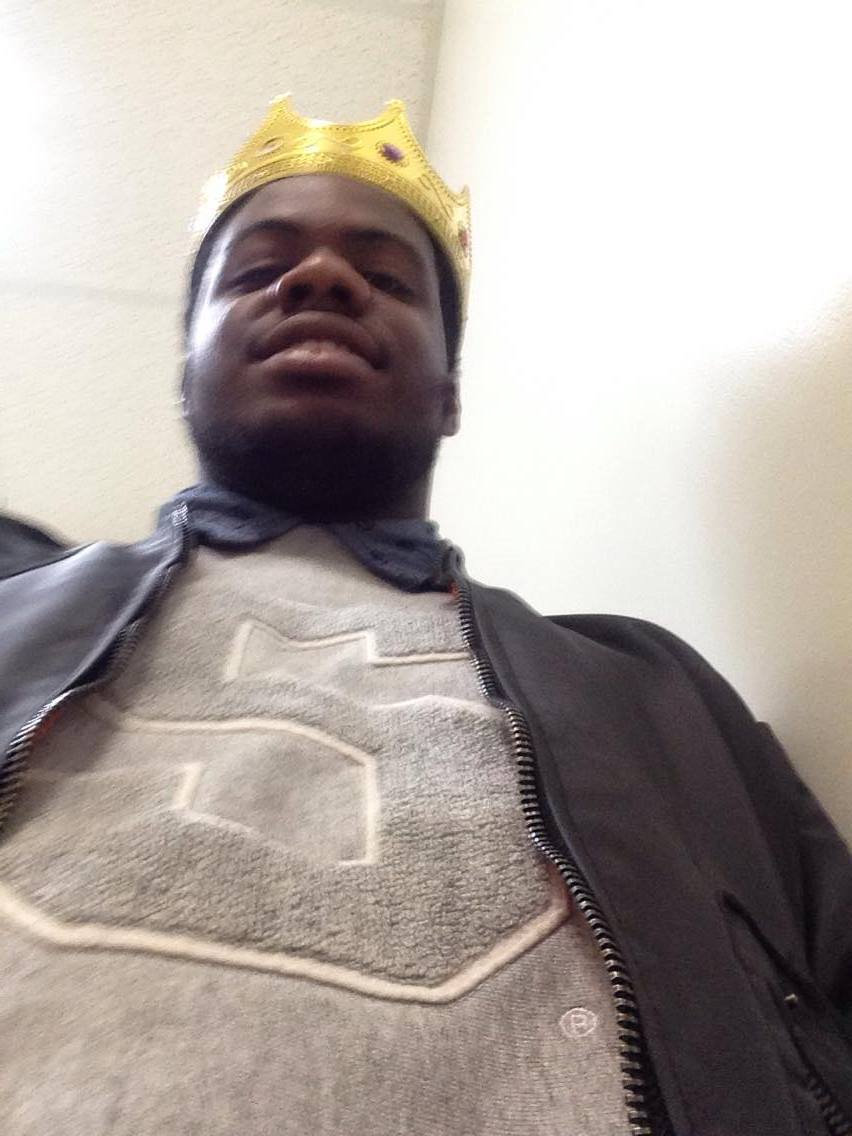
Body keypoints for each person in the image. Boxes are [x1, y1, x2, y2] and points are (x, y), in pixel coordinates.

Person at [0, 97, 849, 1136]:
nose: (320, 278)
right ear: (186, 372)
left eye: (390, 279)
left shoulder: (656, 694)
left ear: (451, 395)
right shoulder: (12, 598)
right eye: (258, 270)